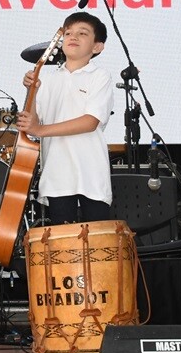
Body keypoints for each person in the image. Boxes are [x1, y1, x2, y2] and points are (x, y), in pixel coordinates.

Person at [16, 12, 113, 224]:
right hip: (57, 173)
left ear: (97, 47)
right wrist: (31, 90)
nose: (73, 37)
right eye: (68, 33)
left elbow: (90, 122)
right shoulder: (48, 79)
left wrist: (40, 130)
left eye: (82, 33)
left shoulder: (100, 76)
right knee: (62, 244)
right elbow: (32, 122)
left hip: (91, 174)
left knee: (97, 242)